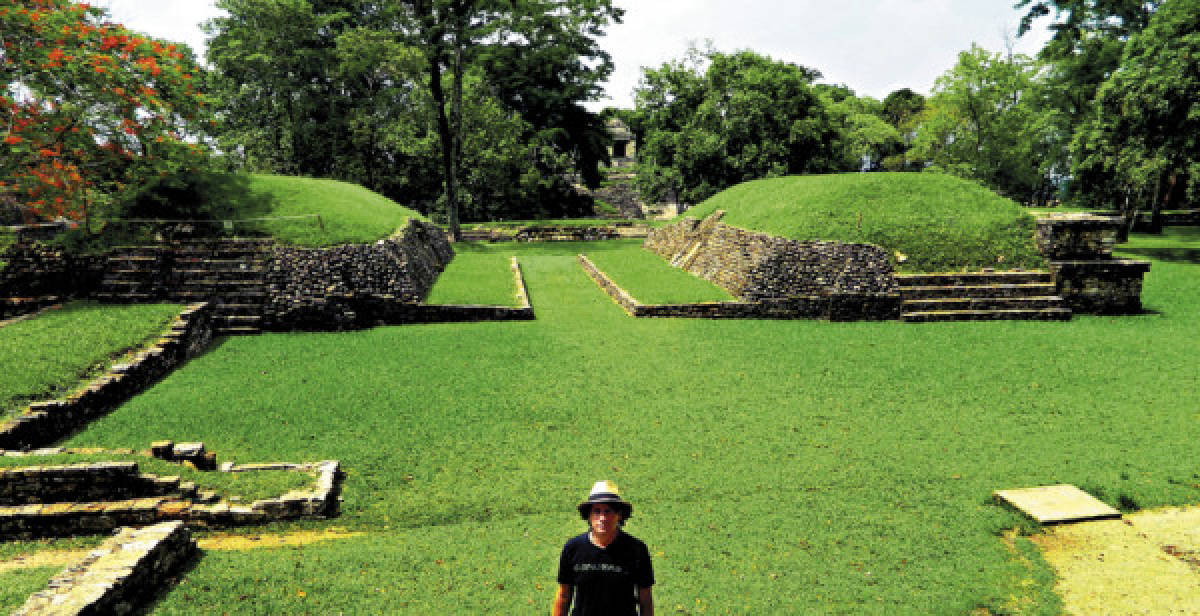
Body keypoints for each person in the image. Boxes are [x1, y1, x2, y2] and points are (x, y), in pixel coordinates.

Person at [553, 480, 655, 616]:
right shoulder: (573, 548)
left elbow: (645, 599)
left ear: (619, 515)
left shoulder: (636, 549)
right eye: (597, 511)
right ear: (588, 516)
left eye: (608, 511)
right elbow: (564, 596)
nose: (602, 518)